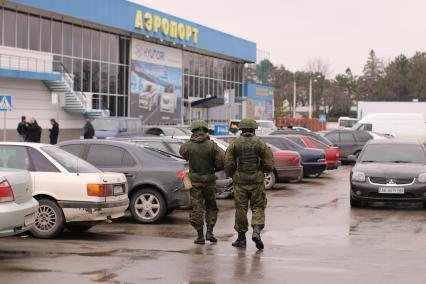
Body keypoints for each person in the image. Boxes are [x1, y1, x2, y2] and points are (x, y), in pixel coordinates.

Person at [224, 118, 274, 250]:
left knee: (241, 209)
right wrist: (261, 171)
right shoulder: (260, 143)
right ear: (254, 129)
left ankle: (241, 239)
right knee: (258, 207)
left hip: (240, 181)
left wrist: (233, 174)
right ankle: (256, 231)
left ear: (241, 129)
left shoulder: (234, 144)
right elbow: (269, 165)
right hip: (257, 181)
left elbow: (228, 164)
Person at [179, 120, 224, 244]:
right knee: (211, 206)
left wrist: (191, 141)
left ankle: (200, 236)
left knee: (197, 208)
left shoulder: (188, 145)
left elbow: (182, 152)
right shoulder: (212, 145)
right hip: (209, 181)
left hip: (195, 182)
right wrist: (213, 169)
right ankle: (210, 232)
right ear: (205, 130)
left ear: (193, 131)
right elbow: (221, 163)